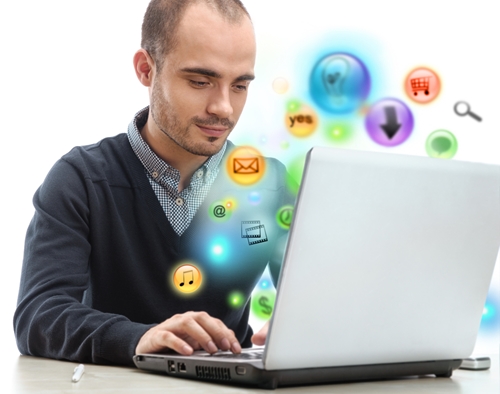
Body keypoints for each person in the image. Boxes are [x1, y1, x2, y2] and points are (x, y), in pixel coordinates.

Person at [14, 0, 295, 366]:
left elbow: (317, 295)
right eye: (200, 81)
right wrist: (140, 337)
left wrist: (302, 324)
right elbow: (39, 316)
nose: (224, 107)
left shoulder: (270, 185)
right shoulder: (82, 180)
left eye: (240, 85)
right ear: (146, 69)